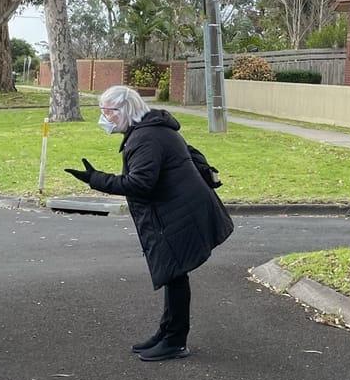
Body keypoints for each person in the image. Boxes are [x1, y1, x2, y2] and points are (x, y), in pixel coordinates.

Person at [65, 86, 233, 362]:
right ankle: (167, 332)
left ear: (125, 110)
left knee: (175, 275)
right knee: (174, 275)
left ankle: (176, 341)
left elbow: (140, 184)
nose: (104, 117)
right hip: (177, 211)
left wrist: (95, 179)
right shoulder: (149, 130)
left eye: (108, 111)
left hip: (179, 215)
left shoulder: (146, 137)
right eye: (102, 110)